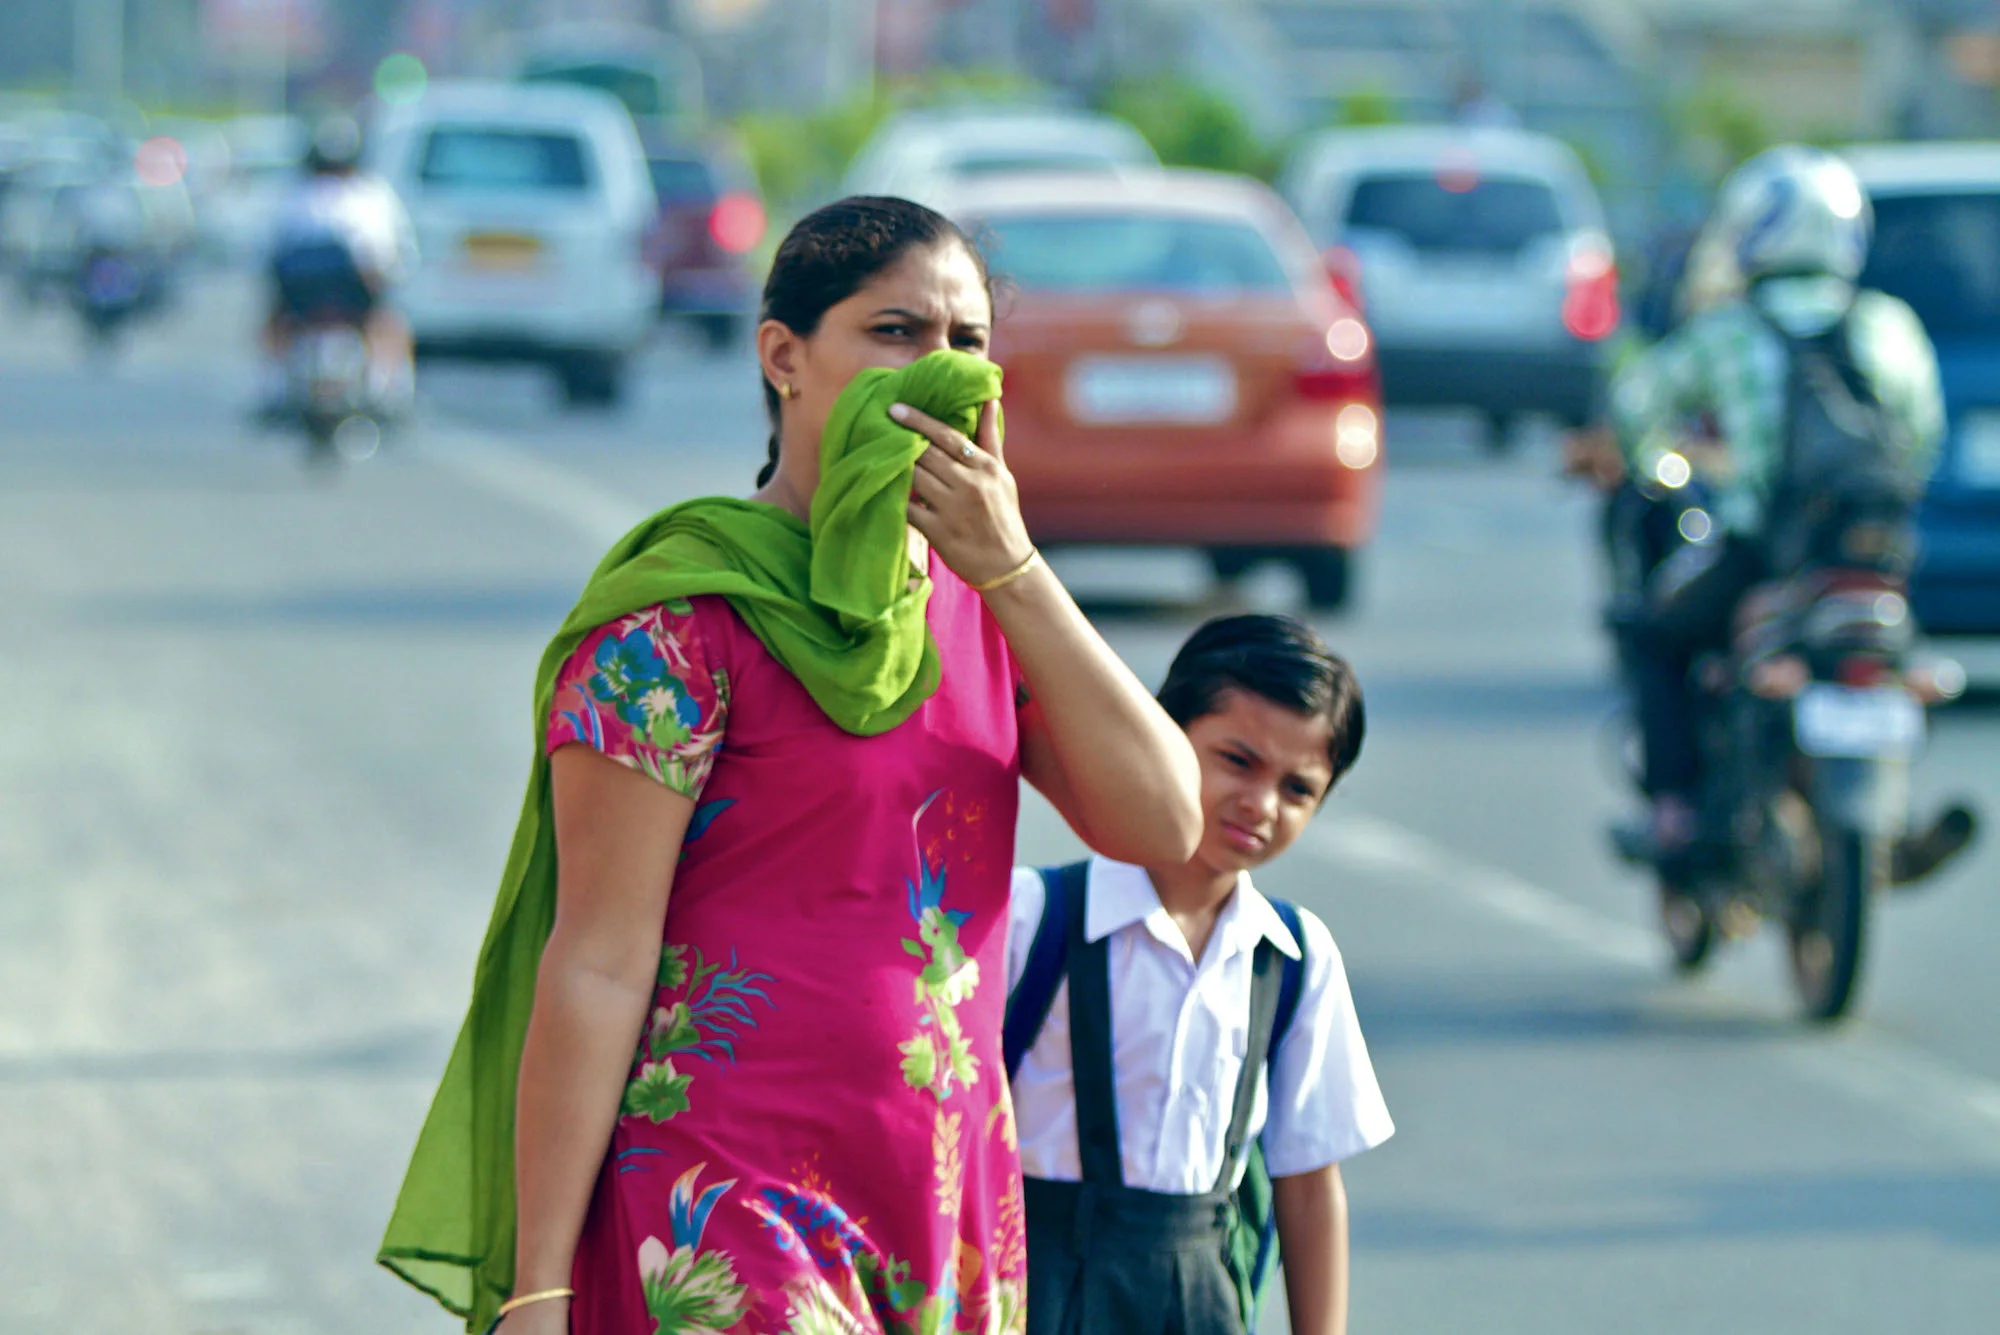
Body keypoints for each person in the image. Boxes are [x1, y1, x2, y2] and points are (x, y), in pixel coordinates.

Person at [379, 196, 1205, 1335]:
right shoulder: (677, 629)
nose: (942, 371)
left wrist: (1014, 569)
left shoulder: (981, 612)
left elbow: (1162, 822)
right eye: (895, 332)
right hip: (725, 1190)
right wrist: (538, 1284)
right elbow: (597, 962)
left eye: (969, 343)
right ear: (783, 356)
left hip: (941, 1191)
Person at [1003, 614, 1393, 1335]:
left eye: (1299, 789)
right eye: (1237, 760)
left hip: (1201, 1297)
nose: (1261, 805)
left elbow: (1308, 1185)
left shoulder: (1294, 959)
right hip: (1030, 1286)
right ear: (1159, 736)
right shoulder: (1035, 918)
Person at [1606, 146, 1944, 857]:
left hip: (1765, 555)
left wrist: (1646, 464)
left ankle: (1674, 812)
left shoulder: (1730, 331)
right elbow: (1922, 440)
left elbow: (1637, 407)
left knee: (1655, 637)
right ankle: (1893, 816)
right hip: (1875, 554)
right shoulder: (1888, 325)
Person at [260, 114, 416, 418]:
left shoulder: (293, 193)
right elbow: (390, 252)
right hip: (354, 289)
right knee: (387, 324)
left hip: (301, 292)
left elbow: (270, 249)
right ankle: (386, 390)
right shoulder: (373, 193)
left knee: (275, 324)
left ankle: (273, 386)